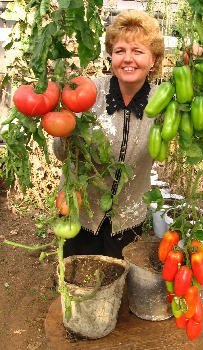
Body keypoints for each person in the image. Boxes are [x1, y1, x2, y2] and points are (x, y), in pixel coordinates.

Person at [53, 9, 165, 259]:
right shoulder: (87, 92)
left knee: (117, 282)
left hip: (128, 216)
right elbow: (60, 153)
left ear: (153, 60)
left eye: (138, 51)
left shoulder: (164, 103)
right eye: (120, 51)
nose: (128, 59)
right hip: (80, 210)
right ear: (110, 57)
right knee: (78, 276)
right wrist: (63, 127)